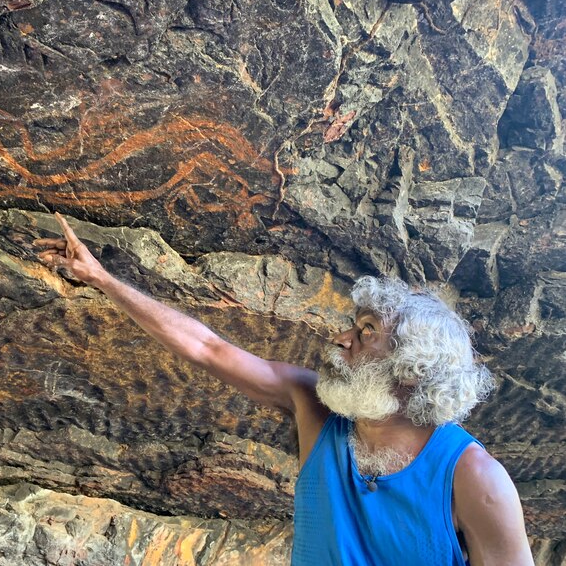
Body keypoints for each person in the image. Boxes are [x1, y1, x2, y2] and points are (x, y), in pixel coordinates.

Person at [34, 213, 534, 565]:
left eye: (365, 332)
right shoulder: (314, 405)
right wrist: (99, 278)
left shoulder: (475, 479)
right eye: (350, 325)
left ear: (414, 367)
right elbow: (208, 349)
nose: (341, 338)